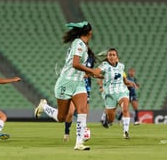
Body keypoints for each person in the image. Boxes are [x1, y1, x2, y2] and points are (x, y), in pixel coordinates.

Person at [34, 21, 101, 151]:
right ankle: (44, 106)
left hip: (79, 83)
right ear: (90, 32)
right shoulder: (78, 43)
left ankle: (79, 143)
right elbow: (75, 64)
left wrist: (94, 75)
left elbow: (79, 67)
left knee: (83, 111)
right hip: (66, 82)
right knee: (62, 117)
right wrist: (92, 71)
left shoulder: (83, 45)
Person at [96, 48, 136, 139]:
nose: (112, 56)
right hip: (110, 94)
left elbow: (124, 79)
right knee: (111, 119)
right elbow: (96, 74)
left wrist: (129, 82)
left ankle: (126, 132)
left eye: (114, 55)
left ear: (117, 57)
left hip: (122, 91)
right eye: (110, 54)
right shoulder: (104, 66)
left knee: (125, 109)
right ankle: (107, 119)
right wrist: (96, 77)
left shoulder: (121, 66)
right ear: (107, 57)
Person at [63, 48, 96, 142]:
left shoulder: (90, 58)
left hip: (85, 88)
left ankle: (80, 137)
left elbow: (91, 72)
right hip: (73, 86)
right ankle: (66, 132)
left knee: (84, 114)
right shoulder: (74, 57)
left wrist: (89, 74)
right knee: (70, 112)